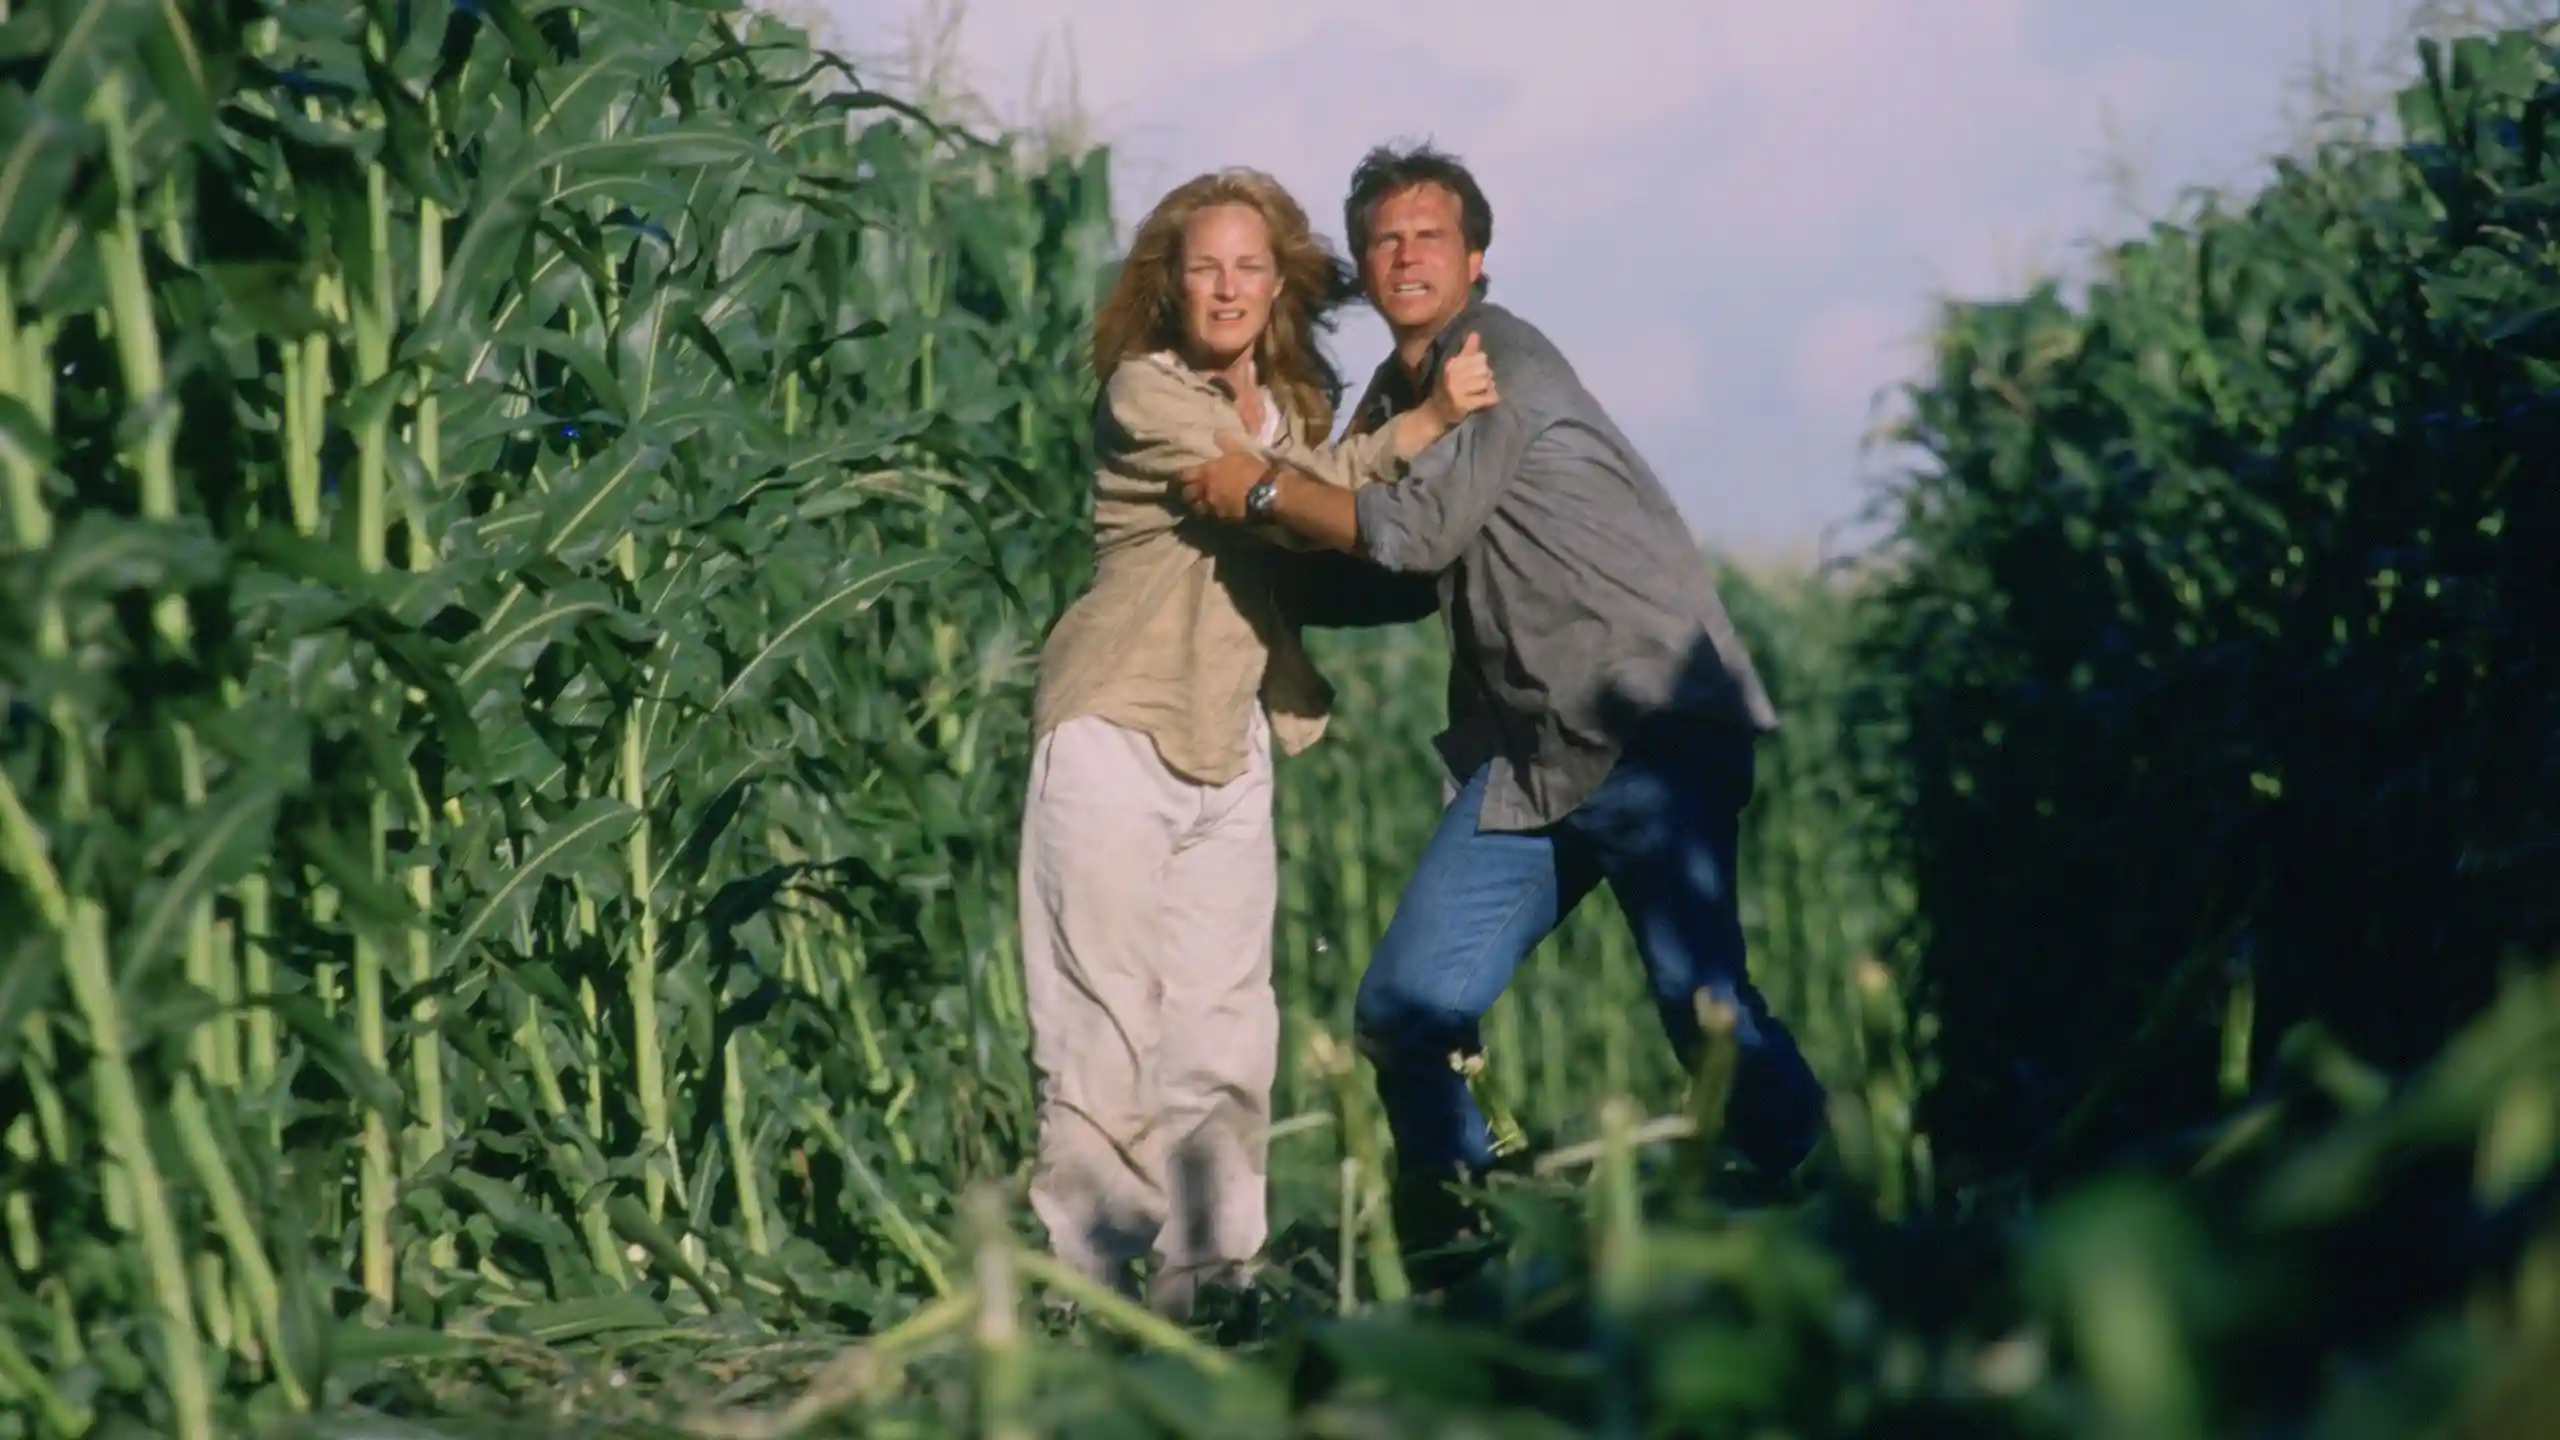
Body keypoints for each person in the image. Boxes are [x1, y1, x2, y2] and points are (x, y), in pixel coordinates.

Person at [1174, 143, 1830, 1273]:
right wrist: (1234, 569)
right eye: (1384, 239)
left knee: (1702, 1004)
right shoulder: (1400, 398)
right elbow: (1385, 574)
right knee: (1406, 1011)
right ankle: (1463, 1227)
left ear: (1474, 258)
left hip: (1650, 720)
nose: (1405, 256)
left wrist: (1268, 490)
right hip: (1533, 760)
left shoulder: (1497, 367)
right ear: (1366, 269)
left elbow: (1408, 534)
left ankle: (1817, 1205)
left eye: (1429, 236)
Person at [1018, 165, 1500, 1319]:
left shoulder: (1289, 408)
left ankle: (1211, 1284)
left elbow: (1304, 475)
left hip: (1228, 743)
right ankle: (1087, 1293)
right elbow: (1270, 495)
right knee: (1102, 1028)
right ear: (1168, 287)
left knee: (1228, 1025)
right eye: (1204, 268)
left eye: (1250, 266)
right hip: (1114, 731)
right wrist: (1422, 426)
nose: (1228, 288)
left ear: (1276, 282)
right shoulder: (1145, 396)